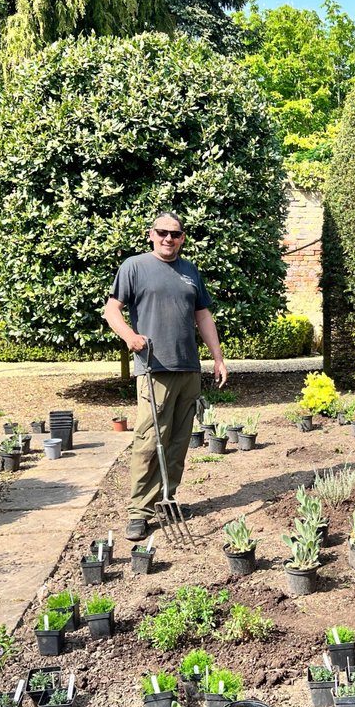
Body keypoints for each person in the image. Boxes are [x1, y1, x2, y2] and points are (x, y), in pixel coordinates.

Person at [103, 213, 228, 540]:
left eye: (175, 234)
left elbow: (203, 315)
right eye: (162, 233)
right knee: (148, 441)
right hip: (154, 367)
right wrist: (131, 337)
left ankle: (165, 499)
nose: (168, 238)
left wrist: (217, 358)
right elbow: (111, 310)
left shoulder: (189, 272)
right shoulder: (134, 266)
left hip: (188, 368)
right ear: (151, 235)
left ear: (182, 238)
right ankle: (138, 511)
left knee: (177, 442)